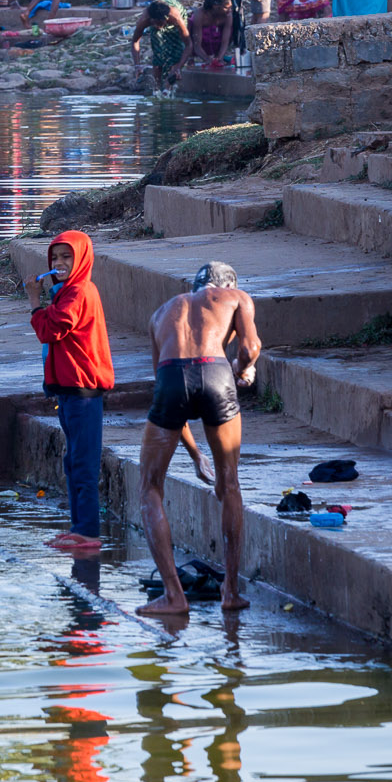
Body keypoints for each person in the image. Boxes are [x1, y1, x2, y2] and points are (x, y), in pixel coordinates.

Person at [136, 262, 261, 617]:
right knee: (230, 483)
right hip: (217, 374)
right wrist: (242, 369)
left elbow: (168, 388)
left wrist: (195, 457)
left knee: (149, 487)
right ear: (225, 286)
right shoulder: (236, 297)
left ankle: (175, 596)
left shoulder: (161, 312)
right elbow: (250, 346)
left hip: (172, 377)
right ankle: (231, 592)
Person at [26, 230, 114, 557]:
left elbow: (52, 329)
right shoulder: (66, 292)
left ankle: (88, 533)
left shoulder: (79, 292)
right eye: (55, 257)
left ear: (81, 260)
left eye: (66, 257)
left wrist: (35, 301)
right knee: (72, 462)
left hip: (83, 390)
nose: (59, 263)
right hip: (69, 390)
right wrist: (47, 298)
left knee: (84, 465)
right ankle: (79, 529)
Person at [129, 0, 190, 92]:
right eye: (155, 24)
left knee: (177, 50)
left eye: (160, 23)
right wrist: (137, 66)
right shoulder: (145, 19)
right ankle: (157, 89)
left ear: (166, 19)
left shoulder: (176, 18)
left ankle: (168, 86)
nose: (158, 27)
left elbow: (188, 45)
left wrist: (178, 67)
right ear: (151, 20)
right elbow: (135, 41)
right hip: (156, 15)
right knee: (158, 51)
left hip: (175, 16)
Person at [184, 0, 235, 69]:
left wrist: (219, 58)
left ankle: (218, 55)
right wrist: (208, 60)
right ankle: (191, 58)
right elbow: (197, 45)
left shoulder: (228, 15)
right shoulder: (200, 15)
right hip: (201, 43)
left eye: (230, 8)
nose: (229, 10)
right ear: (216, 6)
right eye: (226, 8)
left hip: (216, 41)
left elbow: (225, 41)